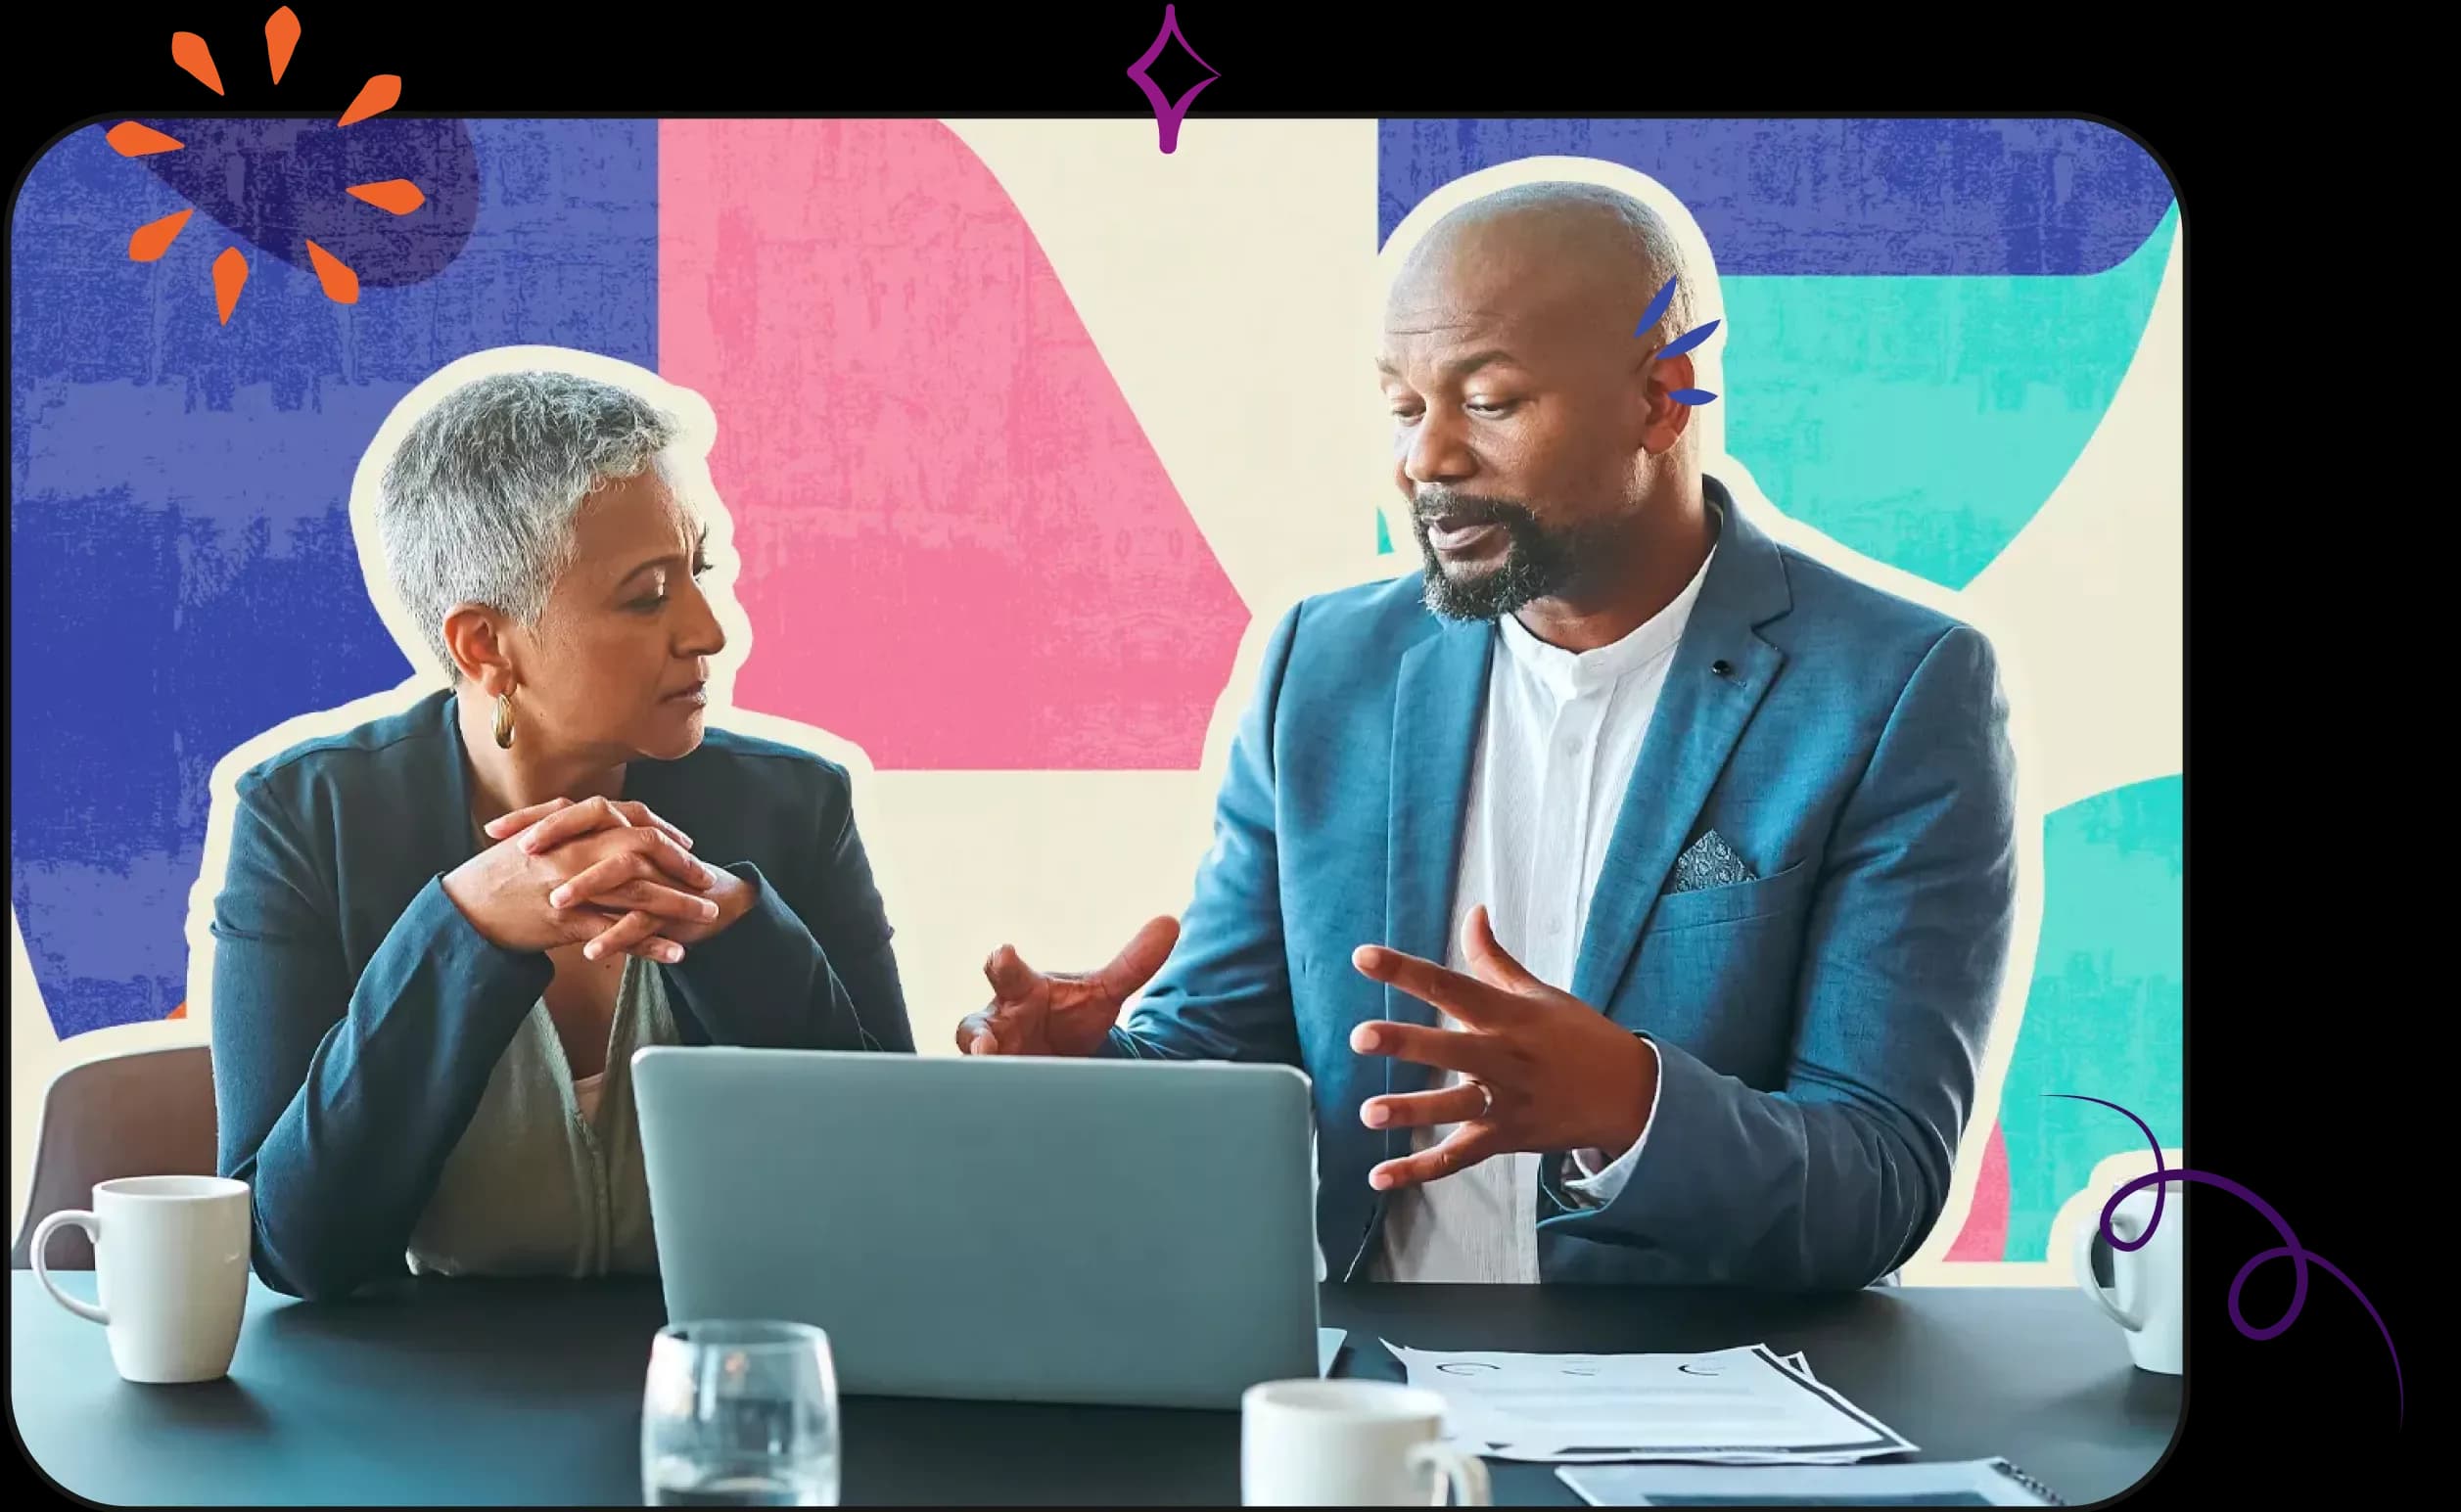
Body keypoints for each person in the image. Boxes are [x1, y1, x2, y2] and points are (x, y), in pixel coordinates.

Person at [959, 182, 2019, 1289]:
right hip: (1364, 1386)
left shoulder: (1897, 687)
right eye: (1405, 407)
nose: (1428, 460)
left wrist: (1632, 1107)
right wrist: (1086, 1082)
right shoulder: (1320, 667)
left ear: (1663, 400)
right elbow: (1225, 1064)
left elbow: (1883, 1178)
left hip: (1699, 1396)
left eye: (1492, 401)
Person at [207, 367, 912, 1301]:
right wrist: (462, 931)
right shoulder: (304, 820)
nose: (709, 632)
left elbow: (893, 1186)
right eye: (647, 596)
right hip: (423, 1408)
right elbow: (291, 1245)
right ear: (485, 646)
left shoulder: (795, 807)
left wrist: (740, 929)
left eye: (697, 573)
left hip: (728, 1377)